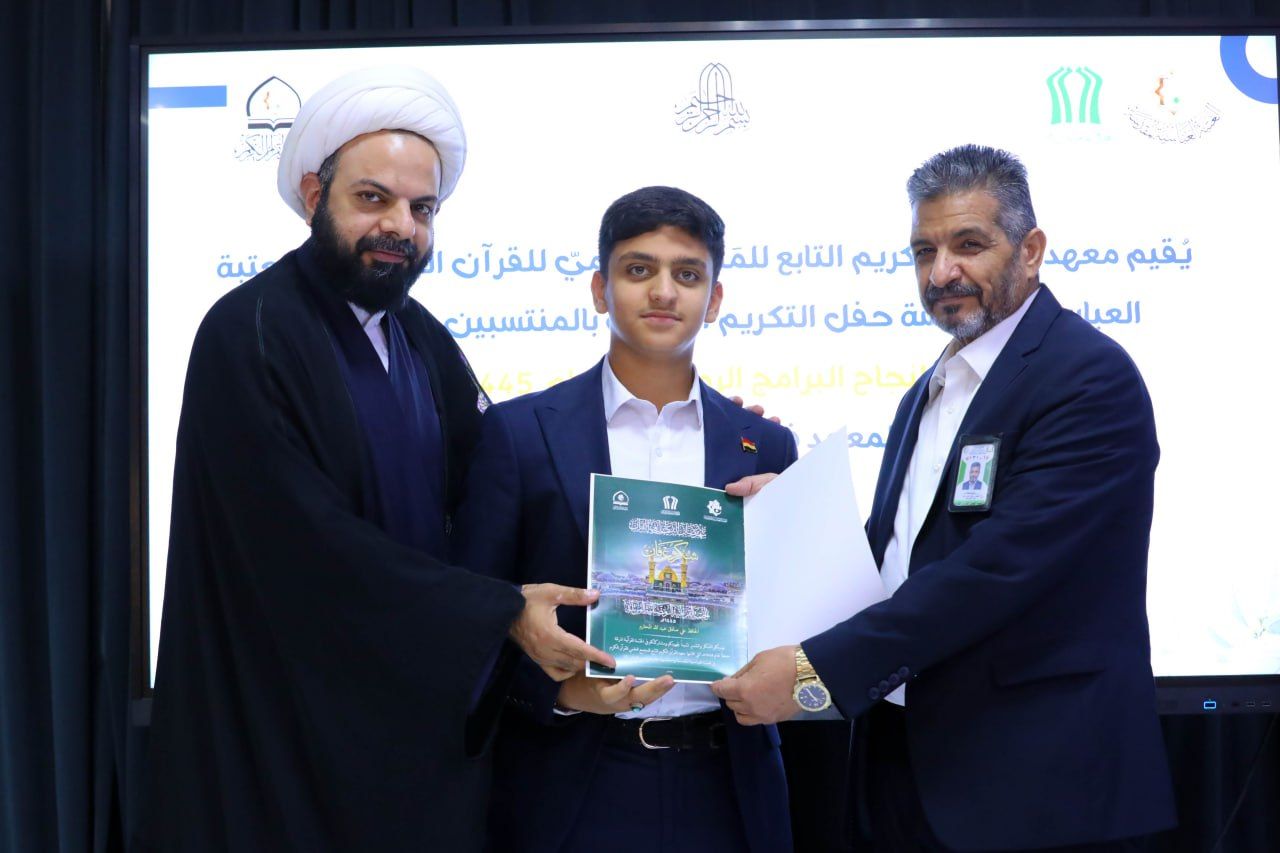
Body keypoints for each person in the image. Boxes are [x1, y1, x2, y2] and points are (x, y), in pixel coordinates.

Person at [139, 67, 611, 853]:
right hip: (286, 731)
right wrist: (496, 609)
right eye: (373, 198)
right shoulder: (248, 331)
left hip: (406, 736)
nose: (400, 226)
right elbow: (303, 542)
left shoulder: (420, 337)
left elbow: (498, 477)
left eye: (422, 209)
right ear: (312, 194)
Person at [713, 144, 1176, 852]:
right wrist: (792, 518)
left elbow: (997, 571)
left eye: (968, 245)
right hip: (909, 765)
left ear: (1031, 250)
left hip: (1036, 788)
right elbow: (907, 556)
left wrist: (815, 673)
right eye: (923, 251)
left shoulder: (1087, 378)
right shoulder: (929, 390)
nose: (941, 272)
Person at [451, 186, 796, 853]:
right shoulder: (518, 435)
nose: (663, 291)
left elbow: (795, 618)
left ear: (715, 299)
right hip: (575, 781)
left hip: (727, 783)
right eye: (639, 269)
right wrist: (564, 694)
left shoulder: (766, 447)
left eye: (687, 274)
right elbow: (469, 612)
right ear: (600, 290)